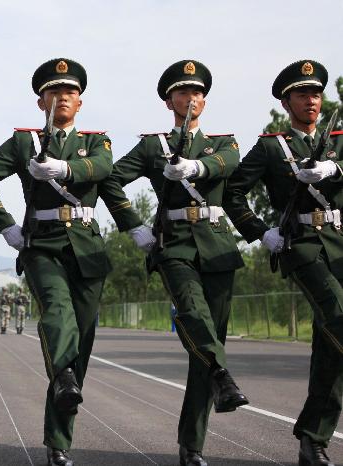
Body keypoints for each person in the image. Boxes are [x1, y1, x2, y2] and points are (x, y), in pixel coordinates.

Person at [98, 59, 249, 466]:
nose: (192, 98)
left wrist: (197, 166)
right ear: (170, 101)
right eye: (183, 92)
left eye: (198, 93)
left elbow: (227, 165)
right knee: (195, 314)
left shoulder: (224, 142)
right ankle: (223, 376)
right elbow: (110, 179)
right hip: (175, 245)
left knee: (208, 342)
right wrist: (133, 226)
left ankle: (192, 445)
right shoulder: (153, 146)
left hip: (218, 246)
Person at [0, 58, 114, 465]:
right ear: (41, 101)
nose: (62, 97)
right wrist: (5, 226)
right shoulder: (24, 142)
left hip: (87, 249)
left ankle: (58, 439)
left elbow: (102, 168)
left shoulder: (97, 141)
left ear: (80, 102)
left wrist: (66, 167)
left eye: (69, 92)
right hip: (43, 245)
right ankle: (61, 418)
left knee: (80, 344)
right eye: (54, 91)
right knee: (57, 314)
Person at [223, 59, 342, 466]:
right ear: (286, 101)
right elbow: (233, 193)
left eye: (316, 93)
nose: (311, 100)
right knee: (339, 315)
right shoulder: (272, 147)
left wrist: (335, 166)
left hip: (342, 241)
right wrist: (261, 233)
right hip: (303, 246)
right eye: (302, 94)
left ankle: (312, 438)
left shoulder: (339, 140)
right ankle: (314, 437)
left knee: (332, 342)